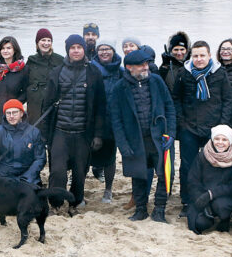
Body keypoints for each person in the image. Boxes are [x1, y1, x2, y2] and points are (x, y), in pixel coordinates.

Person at [107, 47, 176, 222]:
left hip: (158, 138)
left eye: (147, 63)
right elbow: (116, 121)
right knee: (138, 175)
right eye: (141, 65)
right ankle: (140, 209)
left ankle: (159, 209)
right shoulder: (119, 89)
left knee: (164, 174)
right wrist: (123, 146)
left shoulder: (157, 82)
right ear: (130, 67)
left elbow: (170, 108)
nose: (146, 67)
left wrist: (171, 135)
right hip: (135, 140)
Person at [39, 34, 107, 214]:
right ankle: (55, 204)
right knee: (58, 172)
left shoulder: (94, 73)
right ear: (67, 50)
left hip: (83, 132)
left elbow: (101, 106)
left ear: (84, 49)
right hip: (60, 131)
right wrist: (45, 134)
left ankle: (74, 204)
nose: (76, 51)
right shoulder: (57, 72)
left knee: (79, 173)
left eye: (79, 47)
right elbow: (46, 105)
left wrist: (98, 135)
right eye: (72, 48)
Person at [173, 40, 232, 217]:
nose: (199, 59)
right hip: (189, 128)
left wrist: (222, 125)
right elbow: (176, 98)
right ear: (191, 57)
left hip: (213, 129)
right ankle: (187, 201)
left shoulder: (220, 73)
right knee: (187, 166)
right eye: (195, 56)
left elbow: (227, 99)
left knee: (212, 165)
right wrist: (182, 122)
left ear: (209, 56)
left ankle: (208, 198)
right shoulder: (183, 74)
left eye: (202, 55)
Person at [186, 125, 232, 235]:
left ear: (230, 141)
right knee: (200, 224)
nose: (220, 143)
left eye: (224, 139)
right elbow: (193, 181)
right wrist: (202, 198)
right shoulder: (202, 155)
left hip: (224, 196)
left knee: (222, 208)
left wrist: (211, 194)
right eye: (217, 139)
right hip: (203, 195)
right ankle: (209, 215)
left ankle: (224, 219)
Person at [0, 99, 46, 185]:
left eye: (14, 113)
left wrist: (28, 177)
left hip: (27, 177)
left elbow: (40, 158)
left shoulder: (34, 132)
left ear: (21, 113)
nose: (11, 116)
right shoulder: (0, 130)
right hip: (4, 176)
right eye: (8, 113)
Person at [89, 41, 123, 196]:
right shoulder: (90, 69)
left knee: (110, 156)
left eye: (107, 49)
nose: (104, 52)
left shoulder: (121, 71)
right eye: (101, 49)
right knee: (87, 154)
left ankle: (108, 189)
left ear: (113, 51)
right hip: (93, 119)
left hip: (113, 120)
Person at [25, 28, 63, 125]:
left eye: (49, 40)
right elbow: (24, 81)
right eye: (43, 40)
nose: (46, 43)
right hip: (34, 103)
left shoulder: (60, 60)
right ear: (37, 42)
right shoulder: (31, 60)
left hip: (52, 103)